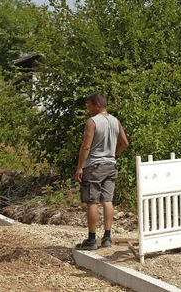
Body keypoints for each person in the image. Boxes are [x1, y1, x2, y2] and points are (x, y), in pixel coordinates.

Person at [74, 92, 128, 250]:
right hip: (111, 165)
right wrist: (112, 154)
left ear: (96, 105)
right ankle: (107, 237)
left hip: (94, 166)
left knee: (92, 201)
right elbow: (124, 143)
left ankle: (91, 239)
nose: (88, 109)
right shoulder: (115, 121)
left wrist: (80, 167)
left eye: (89, 105)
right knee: (108, 200)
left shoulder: (92, 122)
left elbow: (86, 146)